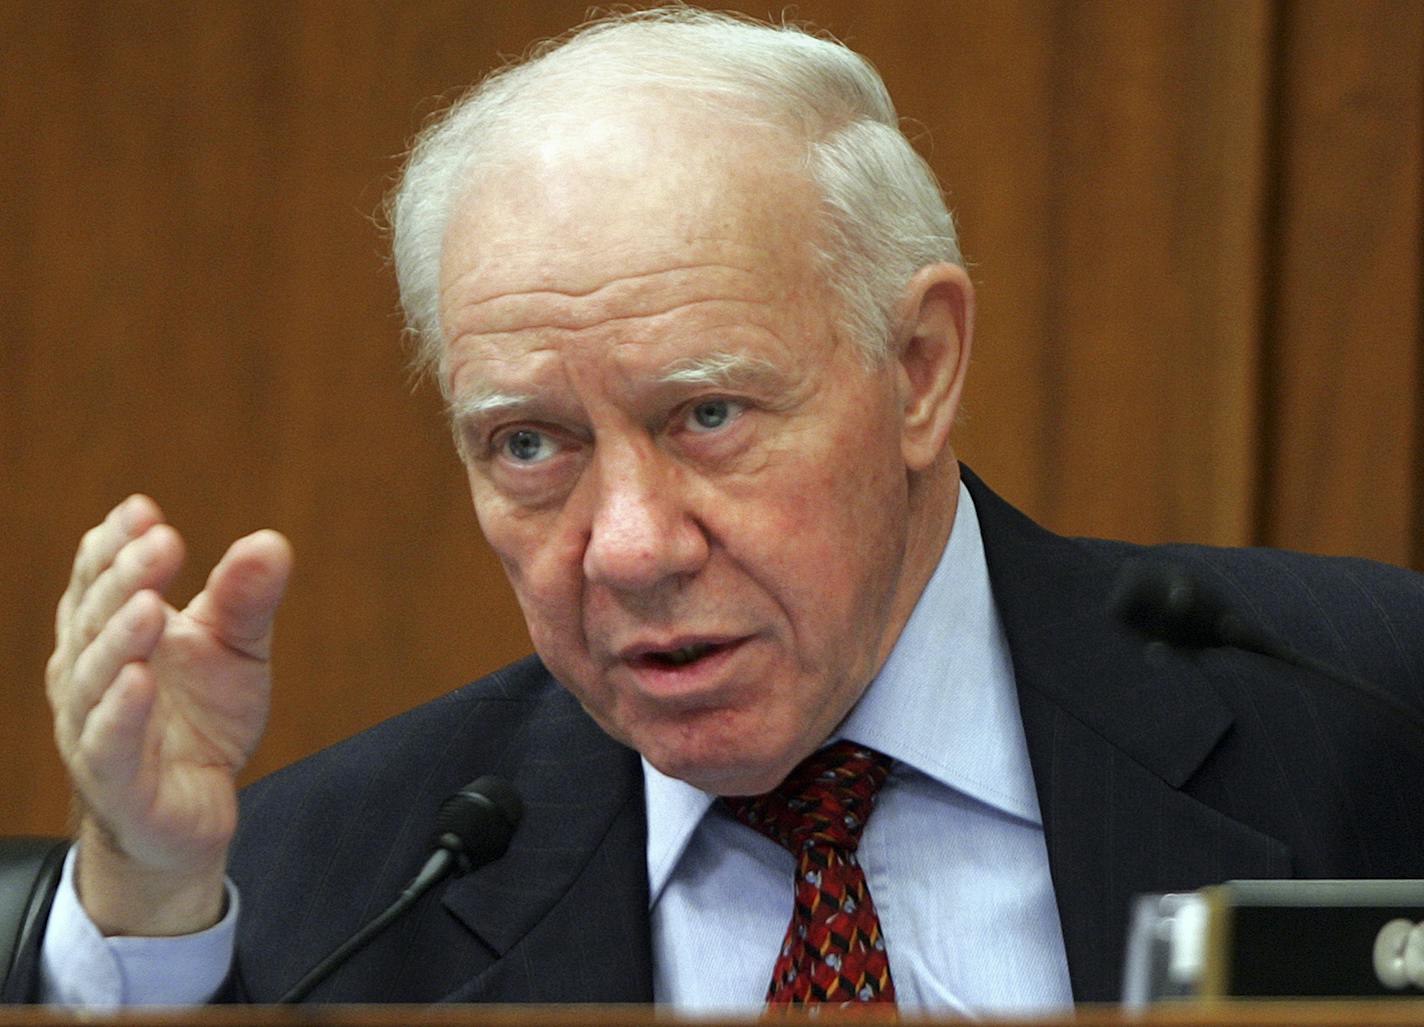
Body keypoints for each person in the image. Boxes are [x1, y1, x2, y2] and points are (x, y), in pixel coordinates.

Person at [9, 5, 1424, 1012]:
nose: (627, 547)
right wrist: (146, 892)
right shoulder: (343, 883)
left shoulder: (1362, 707)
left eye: (708, 416)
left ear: (918, 368)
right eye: (528, 445)